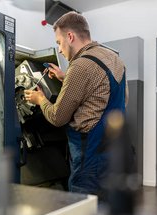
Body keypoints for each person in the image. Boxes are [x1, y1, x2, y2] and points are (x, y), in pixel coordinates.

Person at [24, 11, 128, 198]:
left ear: (70, 37)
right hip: (112, 150)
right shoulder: (115, 59)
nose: (61, 50)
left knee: (83, 203)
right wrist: (65, 79)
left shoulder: (80, 66)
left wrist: (40, 100)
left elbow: (57, 117)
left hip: (90, 155)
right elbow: (112, 96)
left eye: (59, 43)